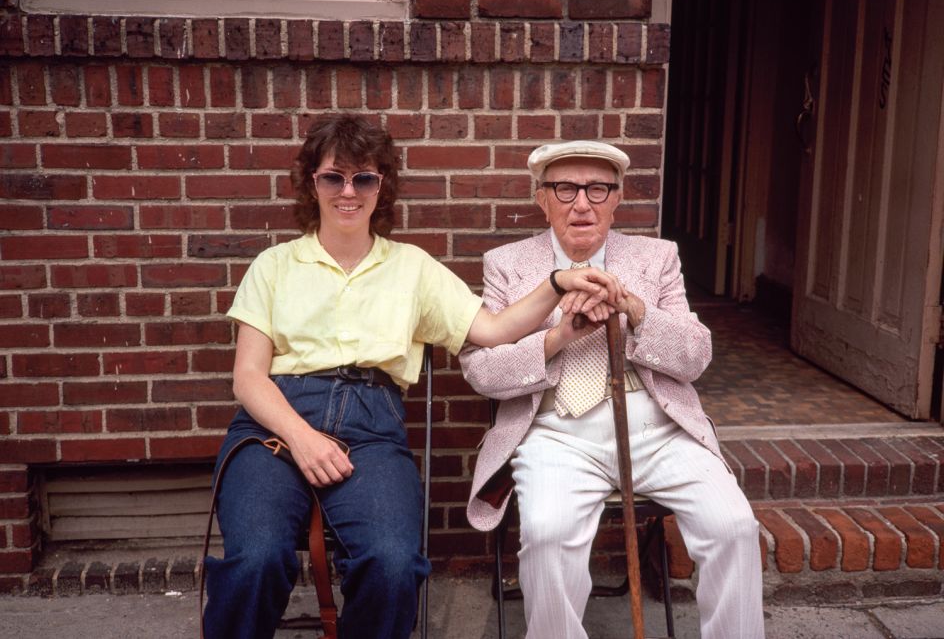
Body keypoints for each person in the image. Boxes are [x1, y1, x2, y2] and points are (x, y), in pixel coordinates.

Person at [201, 116, 624, 639]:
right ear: (313, 184)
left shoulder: (412, 268)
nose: (348, 192)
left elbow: (493, 329)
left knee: (394, 563)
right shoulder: (274, 265)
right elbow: (248, 378)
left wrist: (557, 283)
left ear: (383, 186)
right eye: (333, 177)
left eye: (364, 178)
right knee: (256, 559)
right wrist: (303, 438)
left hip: (371, 429)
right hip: (274, 426)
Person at [460, 140, 765, 639]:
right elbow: (482, 372)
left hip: (659, 428)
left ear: (618, 198)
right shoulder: (507, 264)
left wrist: (638, 311)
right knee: (549, 536)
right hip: (556, 433)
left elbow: (694, 358)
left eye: (598, 189)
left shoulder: (657, 258)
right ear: (542, 198)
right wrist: (557, 338)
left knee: (734, 529)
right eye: (565, 188)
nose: (582, 203)